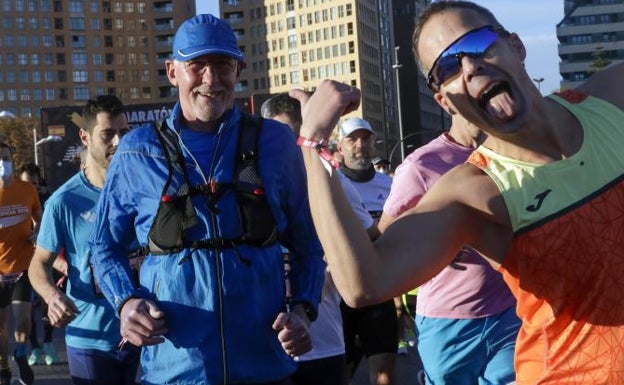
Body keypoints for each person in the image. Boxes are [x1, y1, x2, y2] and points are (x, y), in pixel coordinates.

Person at [291, 1, 624, 384]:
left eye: (479, 42)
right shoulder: (473, 191)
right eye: (447, 68)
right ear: (445, 100)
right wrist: (311, 140)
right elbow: (363, 283)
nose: (470, 66)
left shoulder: (613, 97)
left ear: (516, 45)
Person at [89, 14, 325, 385]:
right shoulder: (138, 151)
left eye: (222, 65)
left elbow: (307, 244)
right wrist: (126, 302)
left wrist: (303, 310)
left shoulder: (276, 143)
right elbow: (103, 246)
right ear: (172, 72)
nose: (211, 80)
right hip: (174, 372)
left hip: (265, 369)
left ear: (239, 69)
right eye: (196, 65)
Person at [378, 115, 520, 384]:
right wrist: (439, 242)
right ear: (446, 102)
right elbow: (388, 238)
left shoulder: (513, 152)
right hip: (448, 320)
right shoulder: (420, 165)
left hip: (509, 309)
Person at [28, 95, 140, 385]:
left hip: (144, 333)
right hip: (91, 340)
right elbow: (39, 263)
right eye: (108, 134)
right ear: (85, 136)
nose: (118, 142)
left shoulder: (144, 189)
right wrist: (52, 296)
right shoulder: (64, 201)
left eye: (124, 133)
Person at [262, 92, 352, 385]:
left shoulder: (330, 184)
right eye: (271, 134)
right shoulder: (247, 190)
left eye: (287, 134)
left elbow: (362, 249)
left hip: (322, 343)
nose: (279, 145)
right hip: (265, 347)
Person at [336, 118, 397, 385]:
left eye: (366, 139)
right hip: (341, 293)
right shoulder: (331, 185)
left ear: (374, 144)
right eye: (352, 140)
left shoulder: (391, 185)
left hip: (380, 290)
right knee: (342, 374)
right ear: (340, 147)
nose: (360, 145)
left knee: (384, 374)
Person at [0, 142, 41, 385]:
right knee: (1, 327)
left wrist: (38, 230)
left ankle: (21, 353)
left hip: (23, 265)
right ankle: (3, 368)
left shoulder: (26, 189)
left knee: (24, 320)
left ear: (12, 159)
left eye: (5, 157)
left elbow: (38, 215)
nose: (2, 163)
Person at [18, 163, 60, 366]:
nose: (31, 187)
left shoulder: (49, 199)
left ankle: (49, 342)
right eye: (27, 183)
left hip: (46, 258)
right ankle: (34, 346)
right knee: (29, 307)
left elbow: (54, 226)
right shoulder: (16, 199)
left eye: (34, 183)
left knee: (47, 301)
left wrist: (40, 233)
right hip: (24, 258)